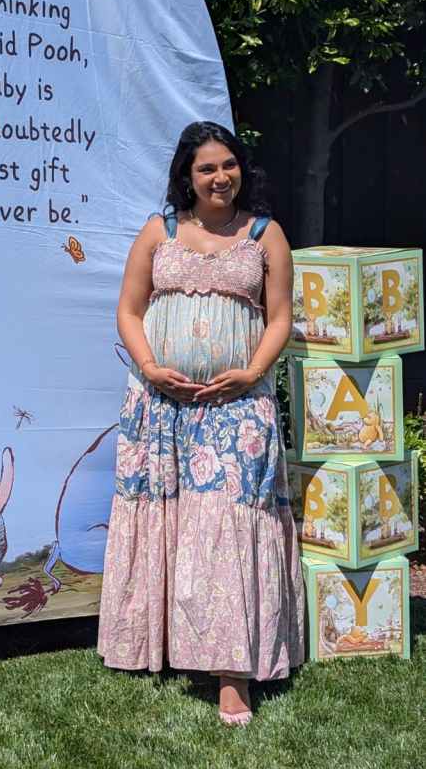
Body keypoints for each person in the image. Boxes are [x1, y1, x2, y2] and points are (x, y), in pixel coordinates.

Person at [97, 121, 304, 726]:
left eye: (228, 165)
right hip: (160, 406)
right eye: (207, 168)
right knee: (163, 524)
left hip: (238, 408)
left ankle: (232, 676)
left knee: (226, 530)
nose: (220, 177)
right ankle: (158, 645)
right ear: (187, 177)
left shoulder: (265, 235)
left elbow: (279, 318)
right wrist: (151, 368)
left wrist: (252, 372)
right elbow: (129, 310)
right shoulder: (159, 232)